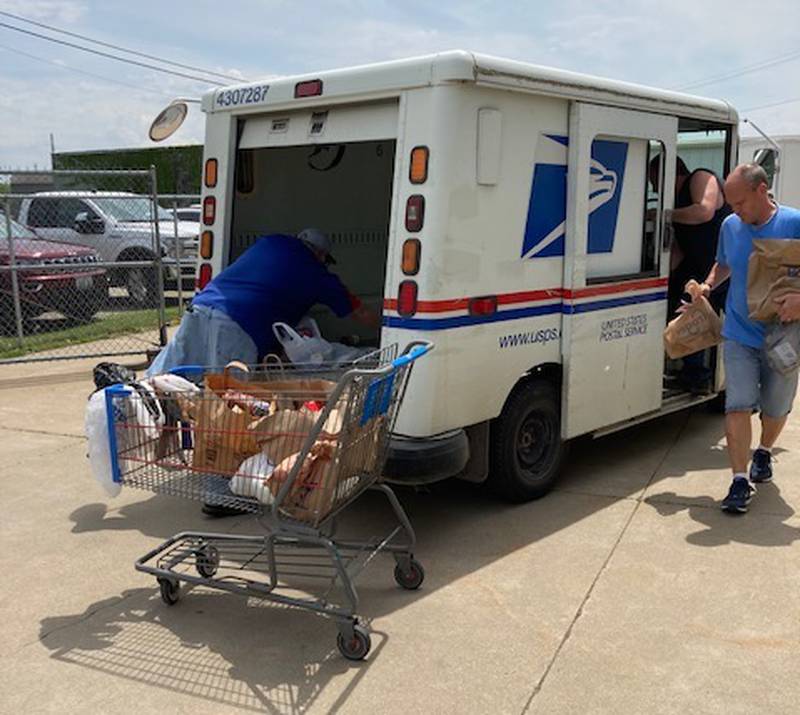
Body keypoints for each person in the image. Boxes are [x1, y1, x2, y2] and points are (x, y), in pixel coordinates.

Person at [690, 163, 800, 513]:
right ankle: (739, 480)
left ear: (761, 189)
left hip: (784, 335)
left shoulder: (794, 223)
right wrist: (708, 286)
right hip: (739, 331)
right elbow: (724, 264)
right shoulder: (730, 226)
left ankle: (764, 452)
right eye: (731, 205)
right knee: (737, 403)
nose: (735, 211)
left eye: (740, 203)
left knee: (776, 406)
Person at [147, 228, 377, 376]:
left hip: (199, 309)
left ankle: (125, 417)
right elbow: (360, 313)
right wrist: (387, 331)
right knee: (228, 404)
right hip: (236, 328)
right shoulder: (318, 274)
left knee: (164, 383)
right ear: (321, 255)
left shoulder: (271, 242)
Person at [650, 156, 731, 392]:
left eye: (654, 180)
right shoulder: (677, 203)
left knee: (734, 319)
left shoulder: (700, 177)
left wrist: (664, 215)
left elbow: (704, 212)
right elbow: (678, 247)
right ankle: (693, 374)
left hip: (723, 267)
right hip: (697, 266)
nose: (654, 187)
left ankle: (704, 376)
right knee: (683, 311)